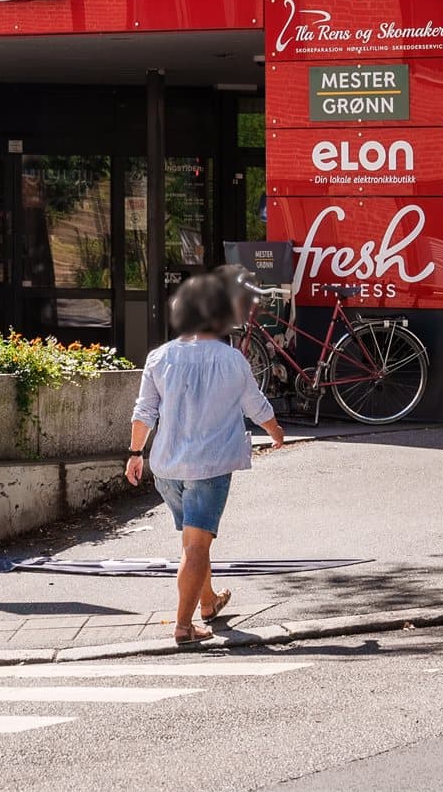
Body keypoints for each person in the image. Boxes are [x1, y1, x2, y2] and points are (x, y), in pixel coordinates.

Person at [126, 270, 285, 644]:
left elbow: (143, 411)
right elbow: (256, 406)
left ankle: (209, 601)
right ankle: (184, 625)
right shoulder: (231, 360)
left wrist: (135, 453)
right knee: (196, 546)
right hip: (209, 466)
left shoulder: (159, 357)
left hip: (166, 466)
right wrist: (277, 434)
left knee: (193, 541)